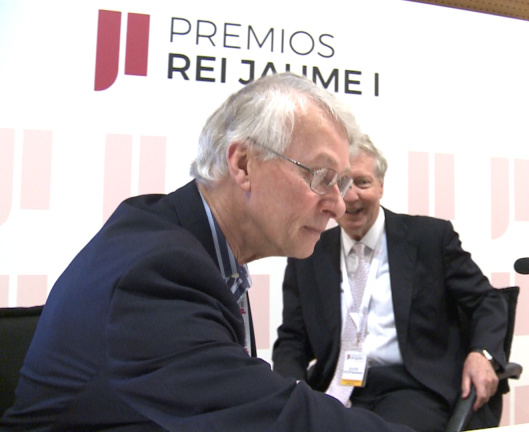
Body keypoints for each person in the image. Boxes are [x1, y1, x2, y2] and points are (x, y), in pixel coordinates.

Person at [0, 73, 411, 431]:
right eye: (321, 176)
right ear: (244, 164)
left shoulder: (200, 247)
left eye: (342, 184)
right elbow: (271, 418)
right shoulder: (156, 269)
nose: (338, 205)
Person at [271, 135, 508, 432]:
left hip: (411, 388)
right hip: (334, 387)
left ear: (381, 185)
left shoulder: (430, 238)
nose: (351, 197)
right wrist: (291, 390)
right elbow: (292, 339)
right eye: (341, 184)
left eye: (363, 182)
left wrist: (482, 353)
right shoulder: (309, 253)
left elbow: (487, 301)